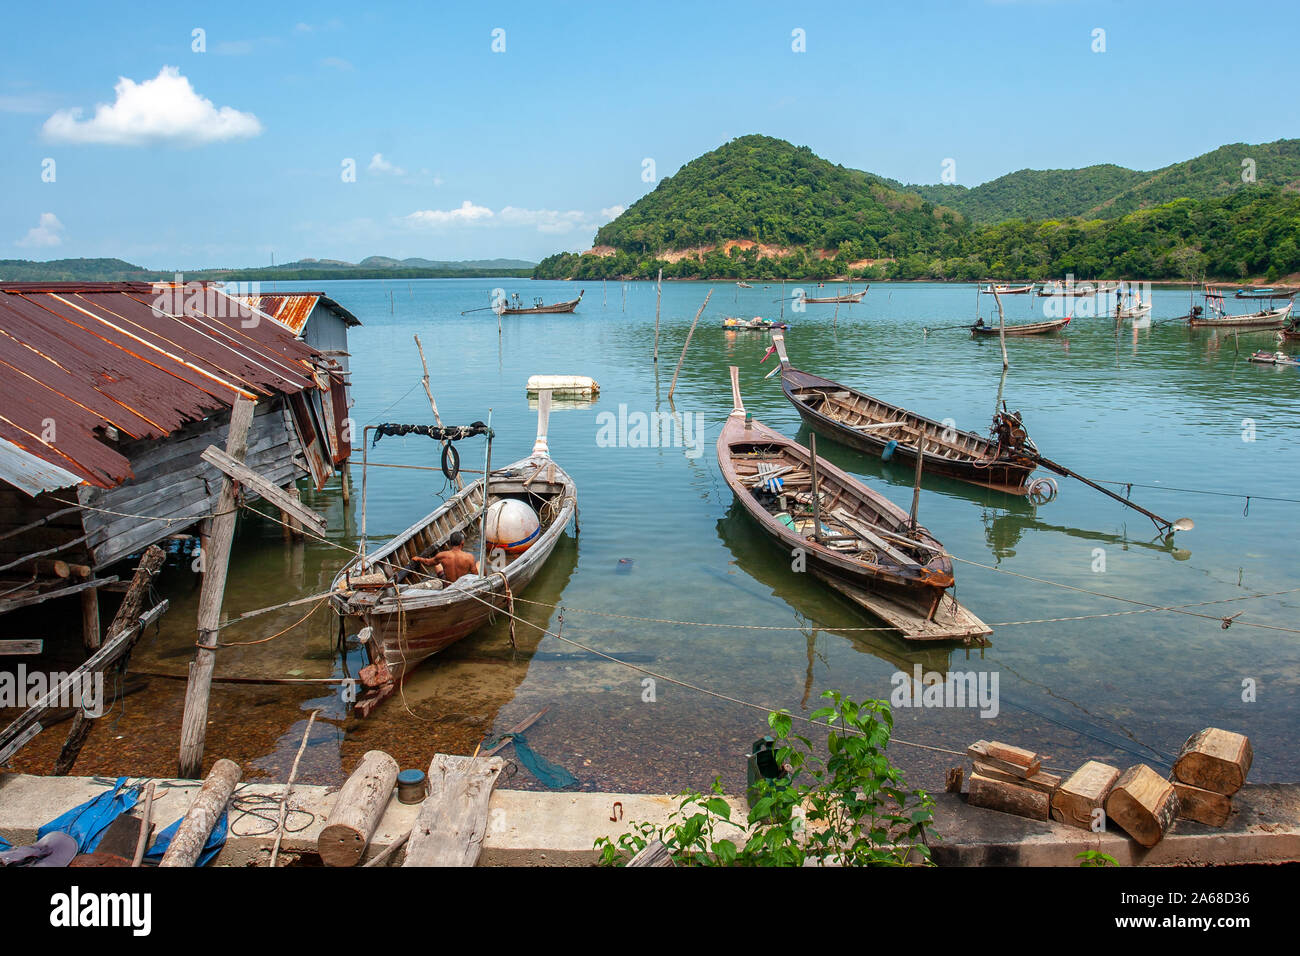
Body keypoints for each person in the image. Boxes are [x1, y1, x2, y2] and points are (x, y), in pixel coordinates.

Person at [413, 530, 478, 583]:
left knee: (437, 565)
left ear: (450, 543)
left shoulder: (442, 555)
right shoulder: (469, 557)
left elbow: (428, 562)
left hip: (448, 586)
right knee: (479, 563)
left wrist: (418, 558)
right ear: (462, 543)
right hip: (463, 585)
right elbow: (475, 575)